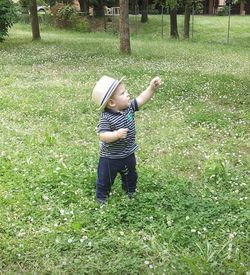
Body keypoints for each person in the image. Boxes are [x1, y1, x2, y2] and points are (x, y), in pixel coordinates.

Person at [92, 75, 161, 204]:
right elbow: (103, 136)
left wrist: (151, 88)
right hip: (110, 158)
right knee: (105, 178)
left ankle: (130, 190)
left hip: (128, 153)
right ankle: (101, 197)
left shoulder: (129, 108)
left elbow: (141, 98)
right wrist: (116, 135)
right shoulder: (106, 117)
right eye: (123, 93)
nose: (128, 94)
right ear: (112, 102)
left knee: (131, 174)